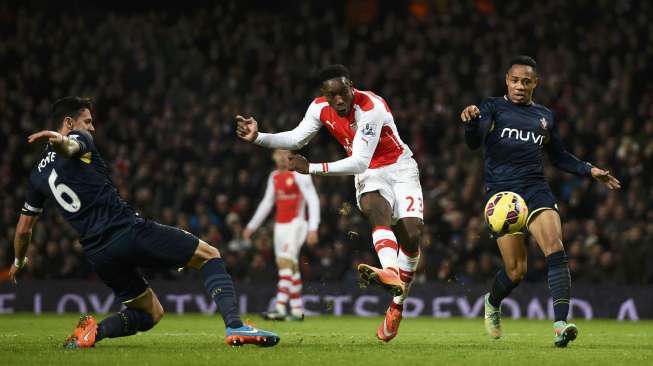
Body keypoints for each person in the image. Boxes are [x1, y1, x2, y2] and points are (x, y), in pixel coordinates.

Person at [10, 96, 279, 348]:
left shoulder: (36, 176)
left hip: (98, 254)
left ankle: (93, 333)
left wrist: (19, 262)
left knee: (151, 313)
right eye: (88, 121)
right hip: (127, 231)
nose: (92, 128)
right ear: (69, 123)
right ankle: (235, 326)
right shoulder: (79, 139)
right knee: (210, 255)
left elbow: (23, 231)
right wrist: (61, 140)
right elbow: (72, 145)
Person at [236, 65, 423, 342]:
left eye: (343, 92)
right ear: (324, 95)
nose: (339, 100)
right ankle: (390, 270)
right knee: (374, 207)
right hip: (370, 174)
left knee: (411, 236)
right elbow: (297, 138)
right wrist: (259, 137)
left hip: (400, 167)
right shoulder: (318, 107)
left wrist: (310, 167)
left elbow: (358, 159)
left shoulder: (371, 107)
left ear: (351, 86)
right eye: (331, 95)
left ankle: (396, 307)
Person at [460, 56, 621, 347]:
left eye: (526, 81)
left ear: (536, 83)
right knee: (516, 271)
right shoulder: (492, 107)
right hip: (503, 196)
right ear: (506, 80)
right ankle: (492, 301)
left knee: (555, 247)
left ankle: (560, 324)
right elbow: (474, 142)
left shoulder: (544, 116)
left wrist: (589, 169)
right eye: (515, 80)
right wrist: (471, 123)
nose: (520, 86)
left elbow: (558, 156)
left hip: (536, 189)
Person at [243, 149, 320, 320]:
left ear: (291, 156)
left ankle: (278, 307)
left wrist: (313, 227)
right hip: (280, 226)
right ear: (273, 157)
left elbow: (312, 199)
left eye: (285, 153)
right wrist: (251, 226)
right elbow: (267, 203)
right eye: (278, 153)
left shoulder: (300, 174)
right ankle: (296, 310)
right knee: (289, 266)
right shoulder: (274, 176)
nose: (281, 157)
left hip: (296, 223)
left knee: (286, 262)